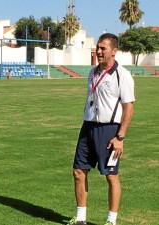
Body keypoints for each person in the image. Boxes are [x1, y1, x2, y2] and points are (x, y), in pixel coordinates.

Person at [67, 33, 135, 225]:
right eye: (97, 47)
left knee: (111, 176)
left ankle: (111, 221)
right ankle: (80, 219)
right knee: (79, 172)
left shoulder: (122, 75)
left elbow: (129, 106)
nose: (98, 51)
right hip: (87, 128)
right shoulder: (93, 72)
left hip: (109, 131)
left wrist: (120, 137)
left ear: (114, 51)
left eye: (103, 48)